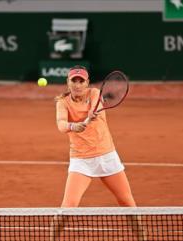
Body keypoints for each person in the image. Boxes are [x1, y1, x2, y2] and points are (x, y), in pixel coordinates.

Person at [55, 65, 136, 208]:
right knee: (68, 206)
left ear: (87, 83)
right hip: (81, 161)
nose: (78, 85)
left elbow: (96, 107)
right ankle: (52, 232)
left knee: (127, 203)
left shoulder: (94, 93)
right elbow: (61, 124)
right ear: (68, 82)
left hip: (107, 156)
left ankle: (141, 232)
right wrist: (73, 126)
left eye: (81, 81)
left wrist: (92, 113)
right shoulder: (62, 102)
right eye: (74, 81)